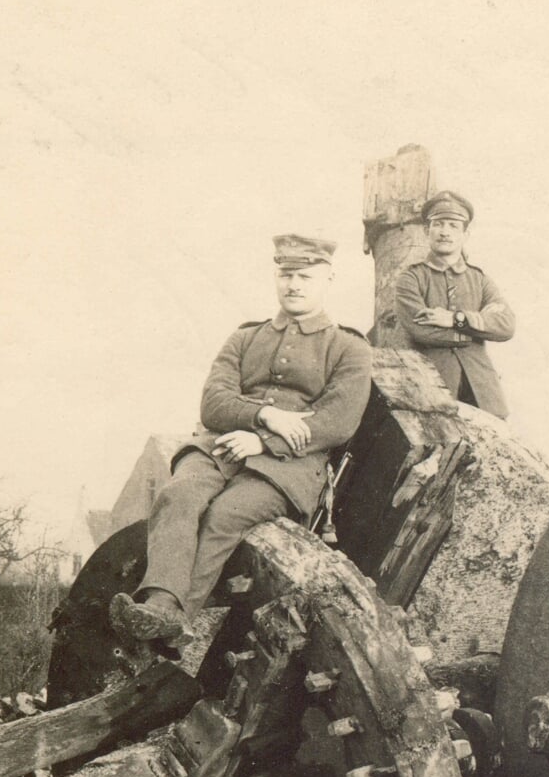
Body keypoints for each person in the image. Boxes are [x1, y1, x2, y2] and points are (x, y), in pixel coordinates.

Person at [111, 233, 373, 642]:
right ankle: (159, 602)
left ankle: (176, 618)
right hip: (219, 447)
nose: (294, 284)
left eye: (305, 275)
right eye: (286, 274)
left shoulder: (348, 347)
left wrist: (266, 442)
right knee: (178, 495)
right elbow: (213, 403)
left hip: (290, 467)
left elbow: (337, 422)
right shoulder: (245, 338)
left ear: (328, 279)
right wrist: (266, 415)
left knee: (226, 515)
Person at [392, 190, 515, 417]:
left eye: (453, 225)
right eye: (438, 224)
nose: (445, 232)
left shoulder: (480, 280)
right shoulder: (411, 277)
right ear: (427, 230)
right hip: (429, 387)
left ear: (465, 234)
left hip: (482, 391)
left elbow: (506, 325)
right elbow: (421, 330)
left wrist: (456, 319)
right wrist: (474, 333)